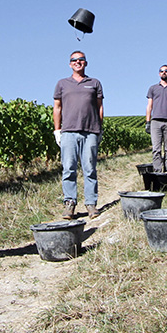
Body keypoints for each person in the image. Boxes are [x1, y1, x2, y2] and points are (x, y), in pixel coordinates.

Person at [53, 51, 104, 219]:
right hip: (68, 131)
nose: (78, 62)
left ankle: (91, 204)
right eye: (74, 60)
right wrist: (57, 130)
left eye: (81, 59)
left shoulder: (94, 83)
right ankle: (70, 203)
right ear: (70, 64)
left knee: (89, 168)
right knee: (69, 168)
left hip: (90, 131)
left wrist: (100, 128)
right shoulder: (62, 84)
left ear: (86, 63)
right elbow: (57, 107)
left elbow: (99, 107)